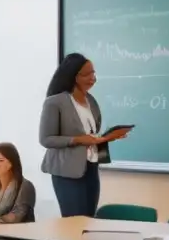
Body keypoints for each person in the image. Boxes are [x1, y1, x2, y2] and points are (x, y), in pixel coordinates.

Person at [39, 53, 129, 217]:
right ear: (73, 76)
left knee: (89, 220)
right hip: (67, 171)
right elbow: (46, 139)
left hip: (91, 167)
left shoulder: (91, 101)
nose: (93, 78)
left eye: (94, 73)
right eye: (87, 74)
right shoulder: (55, 102)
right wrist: (78, 140)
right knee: (74, 222)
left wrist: (108, 137)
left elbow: (91, 134)